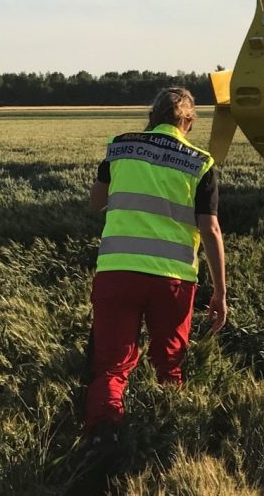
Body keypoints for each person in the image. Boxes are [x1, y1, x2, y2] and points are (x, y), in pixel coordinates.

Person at [83, 86, 227, 439]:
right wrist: (220, 292)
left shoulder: (121, 146)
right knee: (169, 364)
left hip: (117, 272)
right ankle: (168, 435)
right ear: (188, 122)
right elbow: (210, 230)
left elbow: (96, 202)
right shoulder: (200, 162)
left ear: (152, 117)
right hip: (173, 279)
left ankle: (104, 434)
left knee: (113, 366)